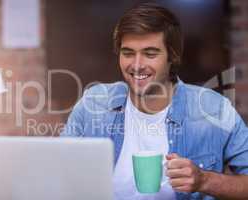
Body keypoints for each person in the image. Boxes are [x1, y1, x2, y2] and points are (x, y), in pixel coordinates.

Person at [61, 3, 248, 200]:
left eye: (150, 54)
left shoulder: (213, 108)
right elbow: (58, 169)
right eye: (128, 53)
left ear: (172, 57)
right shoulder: (94, 103)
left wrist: (205, 181)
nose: (137, 65)